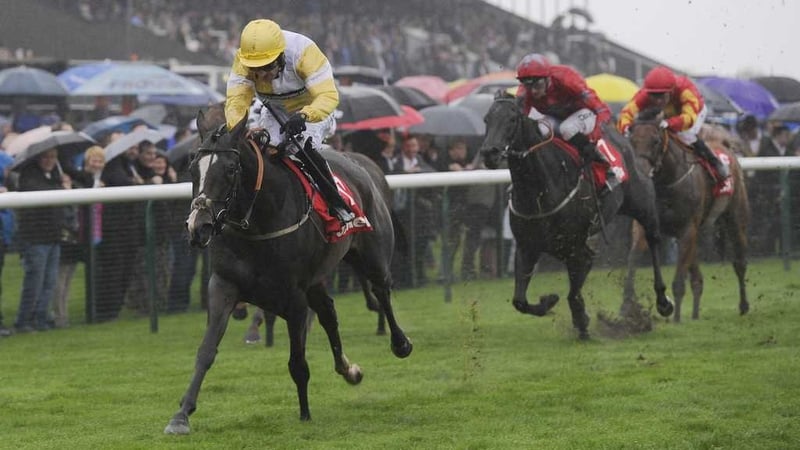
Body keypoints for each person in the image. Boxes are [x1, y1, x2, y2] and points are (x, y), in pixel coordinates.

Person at [225, 18, 354, 223]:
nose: (261, 75)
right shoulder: (243, 61)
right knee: (264, 150)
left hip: (313, 109)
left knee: (300, 146)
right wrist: (236, 131)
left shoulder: (304, 52)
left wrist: (305, 115)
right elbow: (236, 102)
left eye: (267, 68)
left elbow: (328, 96)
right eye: (255, 70)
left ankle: (337, 203)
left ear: (281, 56)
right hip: (275, 110)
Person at [515, 52, 618, 192]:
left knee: (567, 128)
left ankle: (606, 165)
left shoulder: (567, 79)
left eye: (537, 84)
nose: (533, 91)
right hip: (558, 119)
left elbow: (602, 110)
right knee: (540, 128)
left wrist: (592, 139)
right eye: (527, 86)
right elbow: (519, 121)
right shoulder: (523, 92)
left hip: (585, 114)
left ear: (547, 79)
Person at [617, 66, 730, 179]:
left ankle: (715, 163)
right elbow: (626, 112)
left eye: (662, 96)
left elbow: (689, 118)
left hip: (695, 111)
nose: (657, 101)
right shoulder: (645, 94)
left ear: (671, 91)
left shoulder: (685, 90)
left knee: (686, 136)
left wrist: (670, 123)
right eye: (654, 96)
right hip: (670, 110)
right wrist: (626, 128)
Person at [13, 149, 73, 332]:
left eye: (53, 157)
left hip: (53, 236)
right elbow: (40, 192)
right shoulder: (29, 177)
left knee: (49, 282)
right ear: (38, 158)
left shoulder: (55, 175)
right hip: (35, 237)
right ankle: (24, 320)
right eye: (46, 157)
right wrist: (61, 187)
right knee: (35, 281)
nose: (50, 161)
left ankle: (41, 318)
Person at [51, 145, 105, 329]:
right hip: (66, 234)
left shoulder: (83, 178)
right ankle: (59, 317)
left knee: (67, 279)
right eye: (93, 159)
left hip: (78, 235)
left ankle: (62, 316)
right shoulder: (74, 178)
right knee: (60, 279)